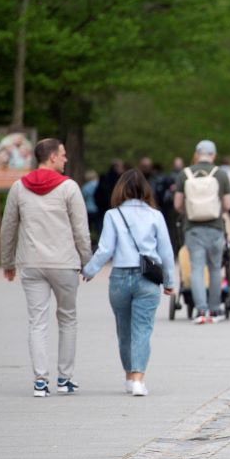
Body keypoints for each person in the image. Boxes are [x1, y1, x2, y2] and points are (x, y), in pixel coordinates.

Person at [0, 138, 92, 397]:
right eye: (63, 154)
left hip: (31, 263)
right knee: (68, 318)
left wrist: (8, 261)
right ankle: (64, 378)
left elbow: (8, 227)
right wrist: (87, 261)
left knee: (37, 322)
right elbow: (80, 230)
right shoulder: (69, 188)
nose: (66, 159)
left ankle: (40, 381)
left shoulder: (19, 187)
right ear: (52, 157)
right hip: (64, 263)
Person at [82, 169, 177, 396]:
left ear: (120, 190)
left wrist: (90, 270)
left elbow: (105, 249)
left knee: (124, 331)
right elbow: (166, 251)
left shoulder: (112, 215)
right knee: (142, 329)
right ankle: (138, 380)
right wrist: (169, 281)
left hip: (120, 277)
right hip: (148, 277)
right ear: (145, 189)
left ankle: (128, 377)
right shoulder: (155, 215)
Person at [174, 140, 230, 324]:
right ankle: (214, 309)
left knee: (197, 268)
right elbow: (228, 205)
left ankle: (201, 310)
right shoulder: (221, 174)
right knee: (215, 268)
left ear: (197, 154)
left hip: (192, 228)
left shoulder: (184, 174)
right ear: (213, 155)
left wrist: (190, 211)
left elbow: (177, 204)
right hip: (215, 227)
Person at [81, 169, 100, 240]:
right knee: (98, 227)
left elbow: (83, 197)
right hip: (98, 208)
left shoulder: (85, 187)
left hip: (88, 209)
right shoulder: (99, 184)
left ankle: (88, 240)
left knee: (88, 228)